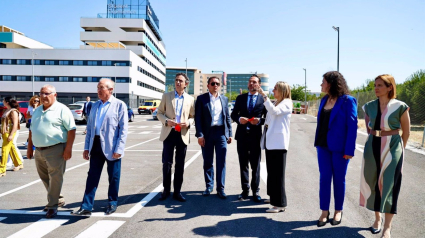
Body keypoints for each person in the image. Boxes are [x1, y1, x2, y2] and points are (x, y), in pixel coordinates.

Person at [360, 74, 410, 238]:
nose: (376, 88)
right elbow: (368, 128)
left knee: (389, 185)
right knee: (373, 182)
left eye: (380, 85)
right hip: (372, 145)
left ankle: (387, 228)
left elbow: (406, 132)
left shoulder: (400, 106)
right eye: (375, 85)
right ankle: (377, 219)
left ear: (390, 87)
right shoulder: (369, 106)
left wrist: (399, 150)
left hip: (393, 146)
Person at [72, 78, 128, 216]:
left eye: (101, 87)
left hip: (112, 146)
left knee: (113, 177)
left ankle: (112, 202)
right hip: (95, 145)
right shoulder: (95, 105)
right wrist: (86, 148)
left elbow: (123, 130)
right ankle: (86, 206)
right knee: (92, 176)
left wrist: (119, 149)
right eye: (97, 87)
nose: (98, 90)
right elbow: (90, 128)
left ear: (110, 90)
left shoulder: (119, 105)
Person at [314, 71, 357, 226]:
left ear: (331, 83)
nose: (321, 84)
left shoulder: (347, 101)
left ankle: (338, 210)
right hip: (322, 146)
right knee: (324, 178)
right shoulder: (324, 99)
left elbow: (352, 126)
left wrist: (349, 150)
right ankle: (324, 211)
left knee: (339, 179)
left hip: (340, 148)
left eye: (323, 81)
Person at [27, 85, 76, 218]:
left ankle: (52, 206)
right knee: (45, 177)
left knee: (55, 177)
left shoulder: (62, 109)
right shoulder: (37, 110)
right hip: (39, 150)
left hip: (56, 149)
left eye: (46, 93)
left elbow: (71, 129)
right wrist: (29, 148)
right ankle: (57, 199)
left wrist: (68, 148)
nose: (43, 96)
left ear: (55, 94)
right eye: (41, 93)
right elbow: (32, 130)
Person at [157, 73, 195, 202]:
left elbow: (193, 116)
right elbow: (159, 113)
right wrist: (167, 121)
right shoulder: (167, 96)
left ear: (186, 83)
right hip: (169, 133)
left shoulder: (190, 99)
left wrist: (188, 123)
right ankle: (166, 190)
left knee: (180, 164)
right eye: (176, 80)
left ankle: (177, 191)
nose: (178, 82)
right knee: (167, 163)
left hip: (182, 134)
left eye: (181, 81)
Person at [231, 75, 267, 202]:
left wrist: (259, 121)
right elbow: (233, 114)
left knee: (255, 165)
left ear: (259, 85)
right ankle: (245, 190)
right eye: (250, 82)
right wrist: (239, 119)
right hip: (242, 136)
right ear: (248, 84)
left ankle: (255, 191)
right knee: (243, 165)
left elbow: (268, 118)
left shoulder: (263, 99)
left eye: (255, 82)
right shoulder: (241, 98)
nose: (252, 84)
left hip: (256, 137)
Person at [195, 76, 232, 199]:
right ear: (208, 85)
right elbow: (198, 119)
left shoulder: (224, 99)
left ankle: (221, 188)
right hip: (208, 133)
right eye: (212, 83)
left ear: (219, 86)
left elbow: (227, 117)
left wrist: (229, 134)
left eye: (217, 83)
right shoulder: (201, 99)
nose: (215, 85)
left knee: (221, 162)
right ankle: (209, 186)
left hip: (221, 133)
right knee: (208, 161)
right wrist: (200, 135)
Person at [258, 82, 292, 213]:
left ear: (282, 90)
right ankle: (273, 197)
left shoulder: (287, 103)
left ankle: (280, 203)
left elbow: (274, 112)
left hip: (279, 143)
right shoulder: (278, 102)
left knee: (278, 174)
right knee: (271, 172)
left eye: (275, 88)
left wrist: (264, 97)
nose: (273, 90)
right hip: (271, 141)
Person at [1, 97, 24, 177]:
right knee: (11, 148)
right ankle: (19, 163)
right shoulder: (6, 110)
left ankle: (2, 170)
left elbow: (15, 124)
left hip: (9, 132)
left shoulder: (13, 111)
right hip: (5, 133)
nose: (2, 102)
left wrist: (11, 135)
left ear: (7, 102)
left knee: (4, 150)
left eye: (3, 101)